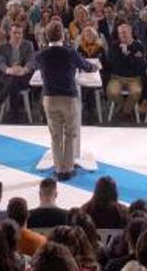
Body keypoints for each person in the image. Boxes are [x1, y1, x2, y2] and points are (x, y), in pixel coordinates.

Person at [34, 28, 99, 180]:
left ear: (46, 37)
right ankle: (68, 169)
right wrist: (95, 67)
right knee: (70, 134)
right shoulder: (70, 52)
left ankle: (58, 168)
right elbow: (86, 66)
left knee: (55, 135)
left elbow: (36, 66)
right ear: (63, 36)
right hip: (68, 99)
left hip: (50, 99)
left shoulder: (41, 55)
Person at [105, 24, 145, 121]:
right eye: (120, 33)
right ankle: (127, 110)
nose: (123, 35)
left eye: (125, 32)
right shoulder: (114, 45)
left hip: (134, 78)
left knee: (136, 91)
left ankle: (124, 111)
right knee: (112, 91)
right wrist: (122, 54)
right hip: (117, 77)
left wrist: (128, 54)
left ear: (130, 32)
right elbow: (112, 63)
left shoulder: (138, 46)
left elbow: (138, 65)